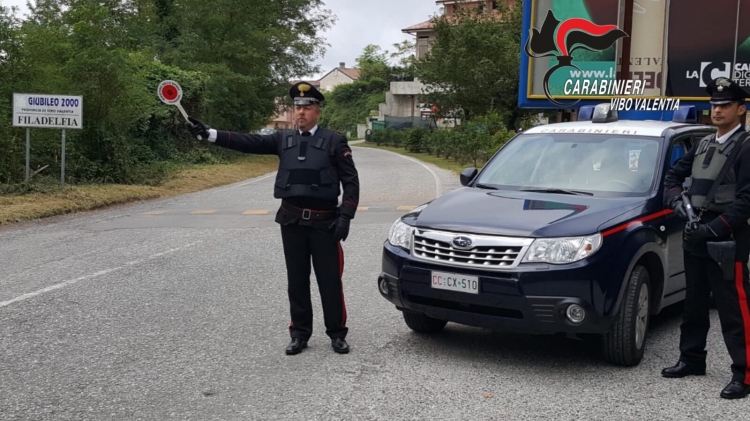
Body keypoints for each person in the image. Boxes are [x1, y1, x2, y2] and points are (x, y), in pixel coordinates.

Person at [185, 81, 360, 356]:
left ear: (318, 112)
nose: (301, 113)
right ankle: (299, 334)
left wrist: (346, 216)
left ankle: (337, 333)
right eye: (297, 108)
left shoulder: (335, 141)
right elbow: (248, 142)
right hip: (291, 222)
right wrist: (210, 134)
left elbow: (351, 182)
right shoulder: (283, 140)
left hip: (324, 222)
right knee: (297, 280)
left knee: (329, 280)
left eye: (307, 107)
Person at [662, 76, 750, 399]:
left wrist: (713, 230)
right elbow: (674, 175)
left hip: (726, 238)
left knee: (734, 308)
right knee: (694, 303)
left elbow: (746, 200)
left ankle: (744, 373)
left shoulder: (745, 146)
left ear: (741, 109)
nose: (717, 110)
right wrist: (676, 201)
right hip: (695, 233)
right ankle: (692, 358)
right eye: (714, 104)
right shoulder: (703, 144)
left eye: (725, 105)